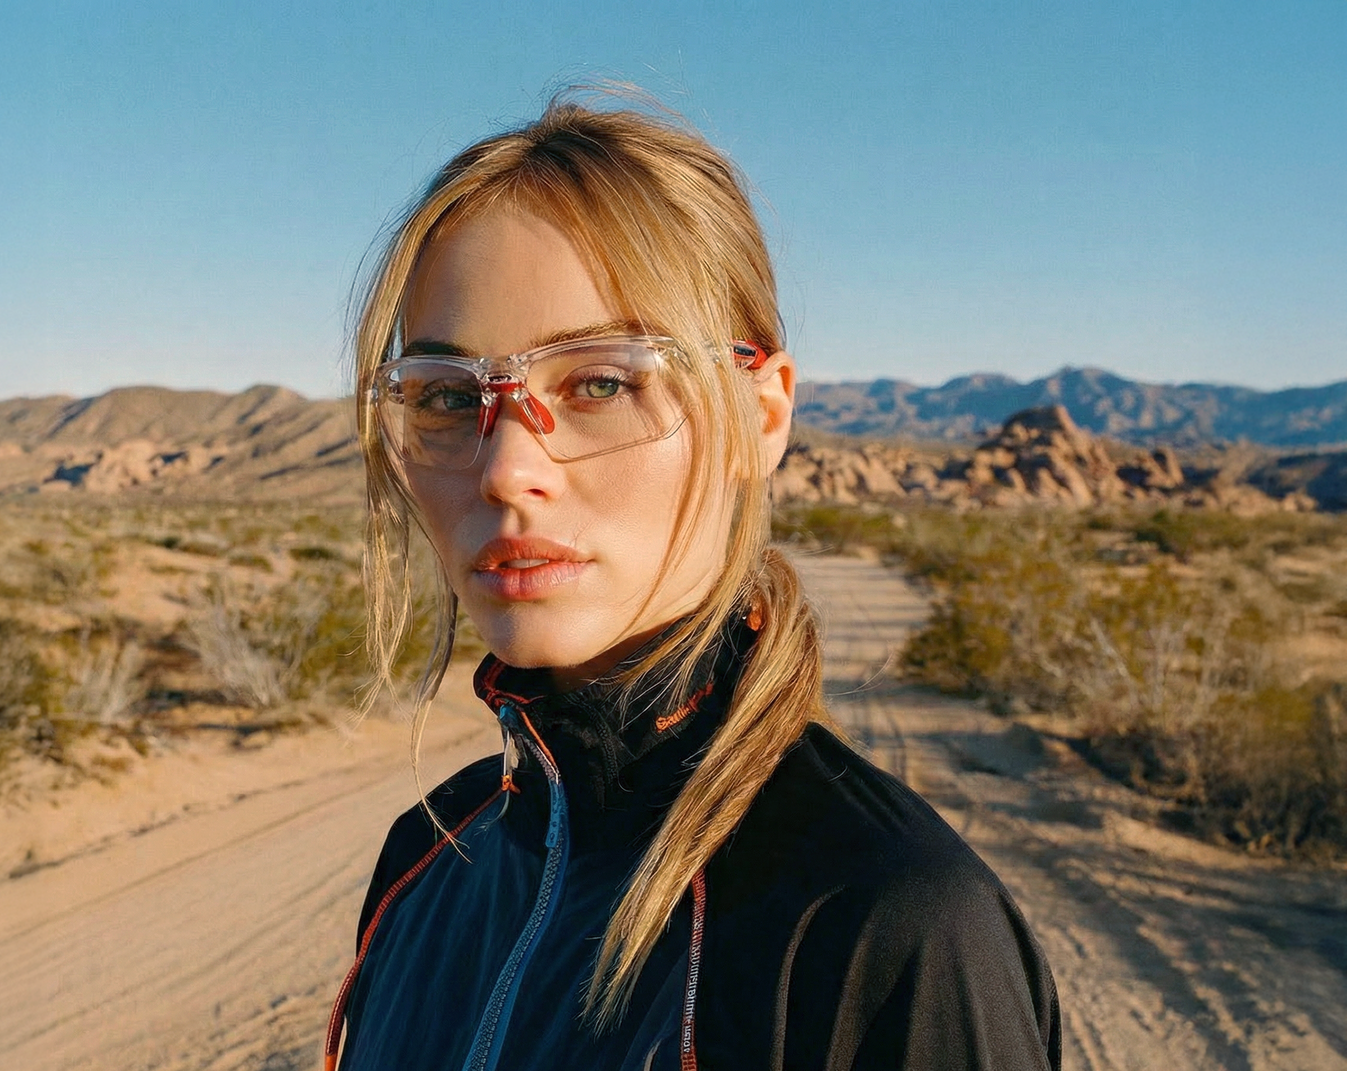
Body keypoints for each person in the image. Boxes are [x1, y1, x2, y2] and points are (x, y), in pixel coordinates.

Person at [321, 94, 1062, 1071]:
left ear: (760, 416)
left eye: (598, 382)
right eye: (449, 397)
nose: (504, 470)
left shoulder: (878, 927)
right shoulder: (427, 859)